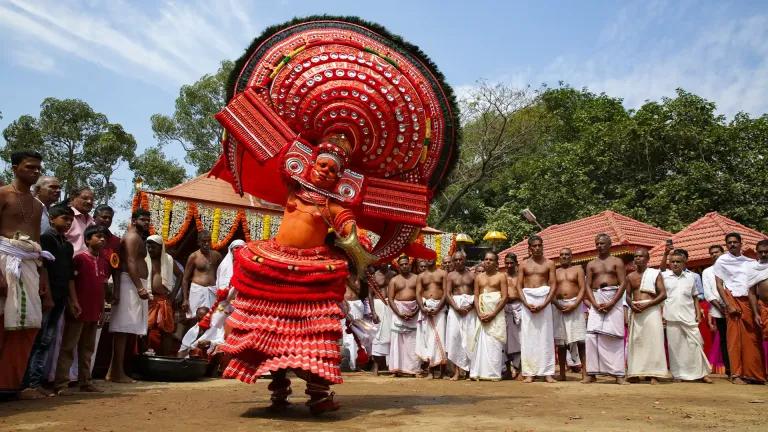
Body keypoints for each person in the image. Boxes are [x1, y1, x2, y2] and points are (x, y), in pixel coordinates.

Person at [0, 151, 53, 399]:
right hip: (4, 261)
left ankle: (9, 385)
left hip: (30, 265)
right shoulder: (2, 194)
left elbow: (38, 243)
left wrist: (42, 277)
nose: (35, 172)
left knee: (28, 325)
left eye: (38, 169)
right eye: (29, 167)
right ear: (14, 168)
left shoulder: (38, 205)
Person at [22, 204, 74, 397]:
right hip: (47, 297)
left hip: (60, 297)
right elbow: (43, 269)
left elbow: (69, 275)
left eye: (70, 220)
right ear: (52, 219)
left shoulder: (67, 245)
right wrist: (48, 296)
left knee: (47, 340)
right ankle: (29, 384)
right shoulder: (45, 239)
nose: (68, 223)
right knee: (39, 340)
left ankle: (36, 382)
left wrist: (70, 299)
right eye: (64, 218)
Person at [54, 225, 109, 394]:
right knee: (69, 347)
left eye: (103, 237)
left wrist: (102, 309)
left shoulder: (103, 262)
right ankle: (61, 384)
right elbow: (71, 282)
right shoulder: (79, 259)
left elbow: (102, 287)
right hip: (79, 310)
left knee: (87, 349)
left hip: (94, 311)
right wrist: (74, 302)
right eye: (98, 236)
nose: (102, 239)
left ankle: (86, 381)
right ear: (87, 240)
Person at [713, 232, 766, 384]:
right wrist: (728, 305)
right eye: (729, 242)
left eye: (735, 242)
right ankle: (736, 375)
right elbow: (719, 285)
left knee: (752, 338)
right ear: (726, 245)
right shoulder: (721, 261)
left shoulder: (750, 262)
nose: (732, 245)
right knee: (734, 339)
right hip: (733, 300)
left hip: (749, 301)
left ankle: (754, 374)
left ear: (741, 243)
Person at [108, 209, 151, 383]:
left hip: (134, 283)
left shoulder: (138, 237)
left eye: (148, 220)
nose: (146, 222)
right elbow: (131, 262)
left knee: (128, 329)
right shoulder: (132, 237)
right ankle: (117, 372)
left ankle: (115, 371)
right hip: (130, 283)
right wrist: (139, 287)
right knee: (122, 329)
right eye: (142, 219)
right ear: (133, 220)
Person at [662, 249, 712, 382]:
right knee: (675, 347)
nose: (675, 264)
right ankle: (678, 375)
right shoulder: (664, 277)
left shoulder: (692, 277)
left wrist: (698, 313)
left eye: (678, 262)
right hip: (671, 316)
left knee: (696, 343)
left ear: (684, 263)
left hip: (689, 316)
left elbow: (695, 297)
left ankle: (702, 374)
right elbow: (661, 298)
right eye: (672, 262)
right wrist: (662, 314)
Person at [583, 233, 627, 384]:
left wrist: (612, 303)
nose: (599, 246)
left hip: (613, 299)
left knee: (614, 336)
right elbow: (587, 285)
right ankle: (591, 373)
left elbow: (623, 284)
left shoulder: (617, 261)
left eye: (602, 243)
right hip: (596, 299)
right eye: (597, 243)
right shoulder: (591, 264)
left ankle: (618, 374)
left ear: (609, 245)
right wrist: (594, 303)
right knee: (591, 337)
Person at [625, 248, 668, 383]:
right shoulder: (630, 276)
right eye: (636, 256)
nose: (638, 259)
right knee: (637, 342)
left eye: (641, 256)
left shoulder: (655, 274)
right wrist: (631, 305)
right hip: (636, 310)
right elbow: (626, 295)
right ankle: (636, 373)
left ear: (648, 259)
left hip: (651, 309)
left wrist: (647, 305)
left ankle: (654, 374)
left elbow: (663, 294)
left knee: (654, 341)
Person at [517, 236, 557, 383]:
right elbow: (518, 286)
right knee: (528, 337)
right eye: (534, 246)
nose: (537, 248)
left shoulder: (549, 263)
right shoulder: (523, 265)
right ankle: (529, 372)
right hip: (528, 301)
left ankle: (548, 372)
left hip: (544, 300)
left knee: (545, 337)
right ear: (529, 248)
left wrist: (545, 303)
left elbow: (553, 285)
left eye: (540, 245)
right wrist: (526, 303)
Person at [469, 252, 507, 381]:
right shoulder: (479, 277)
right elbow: (475, 295)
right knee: (480, 343)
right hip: (481, 314)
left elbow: (504, 297)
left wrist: (493, 314)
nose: (488, 262)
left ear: (496, 263)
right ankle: (478, 372)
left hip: (495, 315)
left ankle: (493, 374)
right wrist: (479, 313)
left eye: (491, 260)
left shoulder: (501, 276)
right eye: (486, 259)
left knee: (495, 344)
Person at [553, 248, 587, 382]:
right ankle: (562, 373)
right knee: (560, 342)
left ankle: (585, 373)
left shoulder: (578, 269)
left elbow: (583, 288)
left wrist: (575, 304)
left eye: (567, 254)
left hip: (575, 305)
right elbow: (551, 290)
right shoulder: (555, 272)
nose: (564, 257)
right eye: (561, 255)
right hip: (558, 306)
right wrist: (557, 304)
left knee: (580, 340)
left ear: (571, 257)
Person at [146, 235, 181, 355]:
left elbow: (180, 275)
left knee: (167, 330)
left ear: (161, 248)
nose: (150, 249)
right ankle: (145, 356)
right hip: (148, 299)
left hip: (164, 299)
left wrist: (173, 294)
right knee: (147, 328)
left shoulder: (168, 259)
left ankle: (165, 357)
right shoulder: (145, 259)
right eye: (148, 246)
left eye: (153, 247)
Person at [444, 251, 476, 380]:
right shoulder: (450, 276)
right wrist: (456, 307)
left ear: (465, 260)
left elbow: (477, 293)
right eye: (455, 260)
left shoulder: (472, 275)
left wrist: (471, 306)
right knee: (454, 338)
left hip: (469, 310)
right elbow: (447, 293)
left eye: (460, 260)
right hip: (455, 309)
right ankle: (457, 372)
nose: (458, 262)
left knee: (470, 339)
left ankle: (470, 372)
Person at [388, 256, 421, 377]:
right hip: (398, 311)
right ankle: (396, 369)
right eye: (402, 264)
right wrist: (399, 313)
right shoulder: (394, 280)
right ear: (398, 266)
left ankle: (414, 370)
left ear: (410, 264)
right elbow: (390, 299)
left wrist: (415, 311)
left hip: (414, 310)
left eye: (406, 264)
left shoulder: (417, 279)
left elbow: (420, 297)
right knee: (397, 341)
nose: (404, 266)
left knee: (413, 341)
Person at [415, 258, 448, 378]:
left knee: (441, 339)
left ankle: (443, 371)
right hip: (426, 308)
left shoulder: (443, 273)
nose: (429, 260)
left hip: (439, 309)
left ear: (435, 258)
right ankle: (431, 371)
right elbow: (418, 293)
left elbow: (445, 292)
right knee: (428, 339)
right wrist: (423, 308)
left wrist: (439, 307)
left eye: (431, 256)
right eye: (426, 256)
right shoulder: (421, 276)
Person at [702, 244, 730, 377]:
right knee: (724, 339)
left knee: (738, 338)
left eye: (716, 252)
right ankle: (729, 369)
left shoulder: (732, 268)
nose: (714, 254)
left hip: (736, 309)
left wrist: (731, 306)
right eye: (711, 253)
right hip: (719, 310)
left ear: (722, 252)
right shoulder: (707, 272)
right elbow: (708, 294)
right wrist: (722, 309)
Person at [181, 230, 221, 319]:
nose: (207, 243)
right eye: (204, 241)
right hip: (197, 290)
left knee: (212, 318)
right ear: (199, 242)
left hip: (212, 290)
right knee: (193, 317)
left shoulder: (217, 255)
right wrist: (185, 299)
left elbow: (220, 275)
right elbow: (185, 279)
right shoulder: (194, 256)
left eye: (208, 241)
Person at [368, 264, 395, 376]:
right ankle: (376, 365)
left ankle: (392, 365)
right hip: (378, 304)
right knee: (377, 336)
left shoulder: (393, 274)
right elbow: (369, 295)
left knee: (391, 334)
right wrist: (373, 312)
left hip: (390, 305)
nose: (384, 263)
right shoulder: (373, 276)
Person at [502, 253, 522, 380]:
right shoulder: (502, 277)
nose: (509, 265)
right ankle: (507, 370)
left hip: (518, 308)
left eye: (511, 263)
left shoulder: (520, 277)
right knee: (505, 341)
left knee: (519, 341)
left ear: (516, 263)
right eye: (507, 263)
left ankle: (519, 369)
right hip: (504, 309)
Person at [64, 186, 95, 254]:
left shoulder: (93, 223)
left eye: (92, 199)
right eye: (85, 198)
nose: (89, 202)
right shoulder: (64, 217)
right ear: (73, 198)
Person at [751, 240, 768, 340]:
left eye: (766, 252)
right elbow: (751, 293)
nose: (763, 254)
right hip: (764, 307)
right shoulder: (754, 269)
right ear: (756, 252)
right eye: (760, 252)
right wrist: (756, 313)